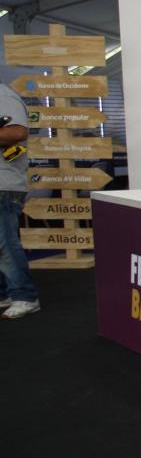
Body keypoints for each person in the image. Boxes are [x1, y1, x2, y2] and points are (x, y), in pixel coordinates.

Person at [0, 83, 39, 319]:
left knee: (5, 243)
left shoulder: (3, 96)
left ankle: (25, 296)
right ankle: (6, 293)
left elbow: (17, 133)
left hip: (4, 185)